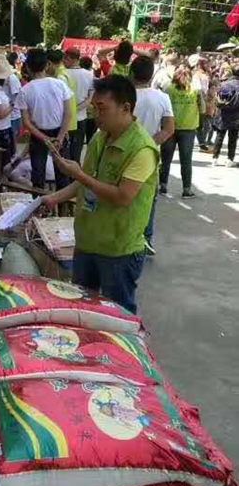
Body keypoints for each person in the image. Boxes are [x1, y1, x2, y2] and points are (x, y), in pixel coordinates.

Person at [43, 75, 159, 314]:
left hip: (118, 250)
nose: (96, 114)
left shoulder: (142, 149)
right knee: (82, 309)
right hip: (87, 242)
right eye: (94, 107)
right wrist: (53, 198)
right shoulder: (100, 137)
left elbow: (123, 196)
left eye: (102, 108)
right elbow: (85, 183)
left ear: (125, 107)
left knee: (117, 316)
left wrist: (79, 175)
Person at [129, 55, 175, 256]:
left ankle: (128, 236)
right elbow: (169, 129)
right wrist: (148, 144)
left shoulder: (124, 96)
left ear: (131, 73)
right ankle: (146, 238)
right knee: (149, 197)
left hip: (123, 152)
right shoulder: (162, 98)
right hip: (150, 155)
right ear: (151, 75)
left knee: (122, 194)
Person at [17, 48, 73, 191]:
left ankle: (38, 204)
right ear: (47, 65)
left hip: (38, 135)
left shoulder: (25, 90)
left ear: (27, 67)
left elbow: (26, 122)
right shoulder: (60, 84)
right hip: (60, 132)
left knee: (38, 175)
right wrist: (60, 137)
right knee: (62, 174)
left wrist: (45, 139)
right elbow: (68, 114)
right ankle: (63, 204)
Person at [159, 66, 205, 199]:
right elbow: (202, 109)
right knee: (186, 161)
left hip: (169, 127)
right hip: (188, 129)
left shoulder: (168, 89)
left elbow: (162, 108)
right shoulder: (195, 90)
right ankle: (186, 190)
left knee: (166, 159)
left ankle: (163, 186)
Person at [64, 47, 94, 163]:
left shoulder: (63, 74)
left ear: (68, 58)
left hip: (65, 118)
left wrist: (70, 110)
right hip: (81, 117)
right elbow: (90, 98)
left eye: (65, 58)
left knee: (64, 152)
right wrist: (77, 109)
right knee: (77, 151)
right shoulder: (89, 74)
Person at [211, 65, 239, 167]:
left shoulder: (225, 84)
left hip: (222, 114)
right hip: (236, 115)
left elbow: (219, 100)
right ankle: (229, 160)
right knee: (233, 138)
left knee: (219, 136)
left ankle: (215, 158)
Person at [192, 58, 211, 150]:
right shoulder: (197, 75)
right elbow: (198, 89)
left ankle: (201, 142)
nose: (208, 65)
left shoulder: (204, 74)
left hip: (204, 99)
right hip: (199, 100)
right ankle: (201, 143)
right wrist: (203, 99)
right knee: (199, 124)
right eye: (207, 63)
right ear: (201, 64)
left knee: (202, 123)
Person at [5, 51, 22, 137]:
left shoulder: (11, 78)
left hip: (12, 114)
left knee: (13, 137)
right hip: (8, 114)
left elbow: (17, 96)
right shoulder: (10, 77)